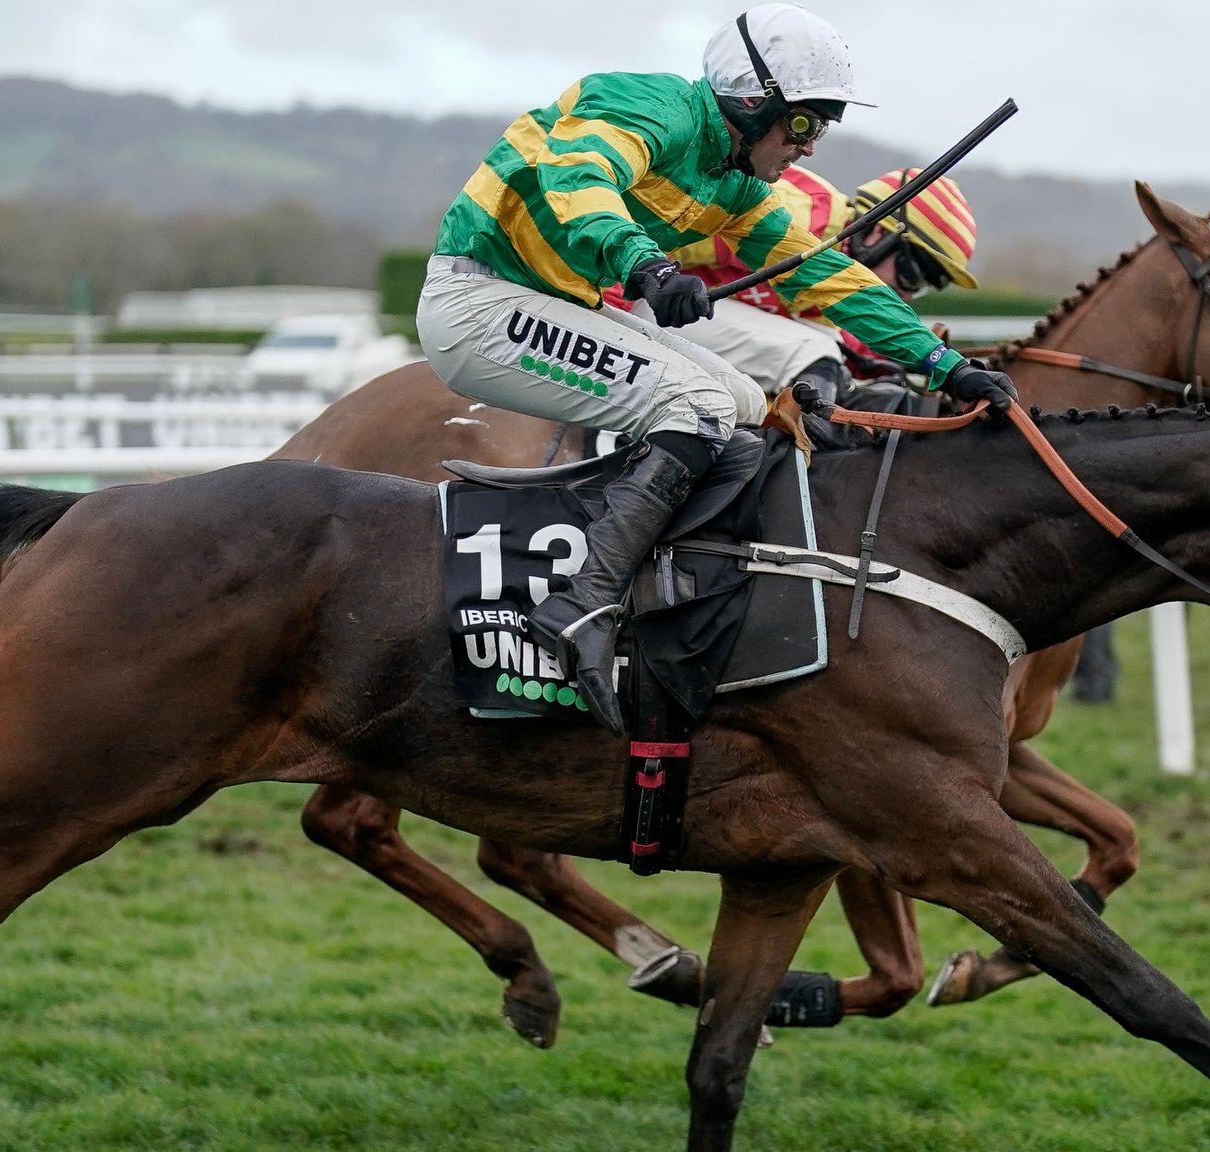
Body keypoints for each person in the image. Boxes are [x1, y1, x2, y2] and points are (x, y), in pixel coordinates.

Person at [418, 3, 1018, 732]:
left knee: (737, 399)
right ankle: (582, 603)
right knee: (698, 404)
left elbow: (826, 275)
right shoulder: (646, 103)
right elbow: (580, 173)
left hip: (538, 302)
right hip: (477, 300)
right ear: (752, 97)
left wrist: (941, 364)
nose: (810, 147)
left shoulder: (732, 191)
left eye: (821, 128)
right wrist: (645, 265)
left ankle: (655, 591)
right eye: (804, 124)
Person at [600, 165, 981, 402]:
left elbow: (857, 346)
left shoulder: (844, 267)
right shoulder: (798, 216)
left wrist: (936, 367)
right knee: (813, 354)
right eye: (915, 274)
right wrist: (604, 330)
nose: (910, 293)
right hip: (621, 299)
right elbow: (636, 244)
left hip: (678, 323)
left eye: (927, 286)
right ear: (880, 233)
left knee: (829, 352)